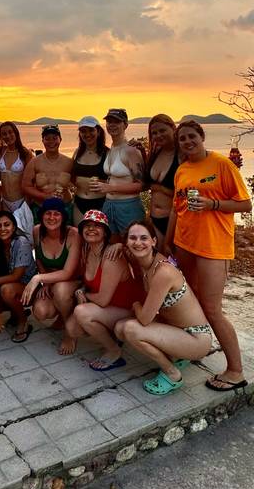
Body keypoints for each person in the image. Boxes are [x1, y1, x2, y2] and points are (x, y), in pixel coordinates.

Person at [165, 120, 251, 392]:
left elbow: (245, 204)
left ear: (202, 137)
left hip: (213, 247)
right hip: (184, 244)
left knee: (212, 309)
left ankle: (235, 371)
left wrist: (212, 204)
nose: (187, 142)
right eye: (182, 139)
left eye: (192, 136)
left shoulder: (221, 164)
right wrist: (167, 242)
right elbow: (176, 209)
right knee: (188, 302)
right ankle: (192, 348)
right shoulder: (182, 169)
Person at [115, 220, 213, 395]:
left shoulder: (163, 272)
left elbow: (145, 319)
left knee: (130, 329)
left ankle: (172, 374)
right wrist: (116, 246)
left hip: (196, 338)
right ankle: (177, 355)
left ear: (153, 241)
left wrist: (136, 304)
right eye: (133, 238)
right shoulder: (145, 262)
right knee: (120, 328)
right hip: (178, 330)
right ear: (126, 242)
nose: (138, 243)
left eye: (144, 238)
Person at [65, 210, 145, 367]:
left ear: (106, 232)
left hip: (127, 309)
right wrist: (82, 289)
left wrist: (84, 294)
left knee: (82, 312)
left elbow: (102, 300)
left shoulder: (111, 257)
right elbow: (88, 283)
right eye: (87, 225)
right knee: (72, 328)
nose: (91, 229)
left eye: (97, 226)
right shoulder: (86, 251)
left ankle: (113, 350)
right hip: (109, 307)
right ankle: (111, 335)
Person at [21, 197, 81, 354]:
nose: (52, 217)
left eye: (56, 213)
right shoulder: (37, 231)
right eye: (48, 213)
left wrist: (38, 278)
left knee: (60, 290)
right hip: (51, 281)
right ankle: (62, 315)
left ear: (63, 216)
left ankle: (70, 331)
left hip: (74, 281)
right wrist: (46, 282)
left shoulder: (73, 234)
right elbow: (39, 259)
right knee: (41, 312)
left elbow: (68, 273)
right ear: (42, 215)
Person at [0, 210, 37, 342]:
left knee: (6, 290)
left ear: (14, 227)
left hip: (28, 288)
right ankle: (15, 312)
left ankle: (22, 320)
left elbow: (16, 276)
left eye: (7, 225)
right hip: (6, 288)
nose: (2, 229)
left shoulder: (21, 242)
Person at [91, 109, 145, 240]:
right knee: (112, 244)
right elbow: (115, 179)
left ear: (125, 125)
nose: (112, 125)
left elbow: (141, 185)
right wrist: (103, 185)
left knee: (132, 245)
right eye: (109, 122)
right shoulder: (112, 149)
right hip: (109, 205)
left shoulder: (131, 150)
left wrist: (111, 188)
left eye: (117, 122)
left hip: (128, 206)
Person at [21, 126, 73, 222]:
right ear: (42, 141)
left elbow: (79, 182)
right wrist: (45, 196)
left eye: (54, 138)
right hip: (41, 208)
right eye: (47, 139)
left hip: (65, 207)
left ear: (60, 139)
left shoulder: (69, 162)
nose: (51, 141)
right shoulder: (34, 162)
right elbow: (25, 186)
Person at [146, 114, 179, 251]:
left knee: (173, 260)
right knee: (156, 259)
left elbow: (187, 193)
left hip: (173, 221)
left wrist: (162, 189)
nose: (158, 135)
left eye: (162, 130)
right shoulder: (155, 153)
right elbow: (145, 184)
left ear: (173, 128)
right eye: (154, 133)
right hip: (154, 219)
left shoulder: (182, 155)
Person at [71, 117, 109, 225]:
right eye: (83, 131)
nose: (87, 134)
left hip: (100, 203)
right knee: (79, 233)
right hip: (79, 203)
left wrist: (103, 183)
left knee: (98, 233)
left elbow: (115, 180)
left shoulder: (107, 153)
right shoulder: (77, 152)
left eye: (91, 130)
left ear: (98, 132)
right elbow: (71, 176)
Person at [0, 122, 33, 213]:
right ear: (1, 137)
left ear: (16, 133)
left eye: (10, 132)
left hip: (21, 202)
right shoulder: (1, 151)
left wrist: (26, 204)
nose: (7, 136)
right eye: (4, 134)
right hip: (5, 202)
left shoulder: (25, 153)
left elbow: (31, 181)